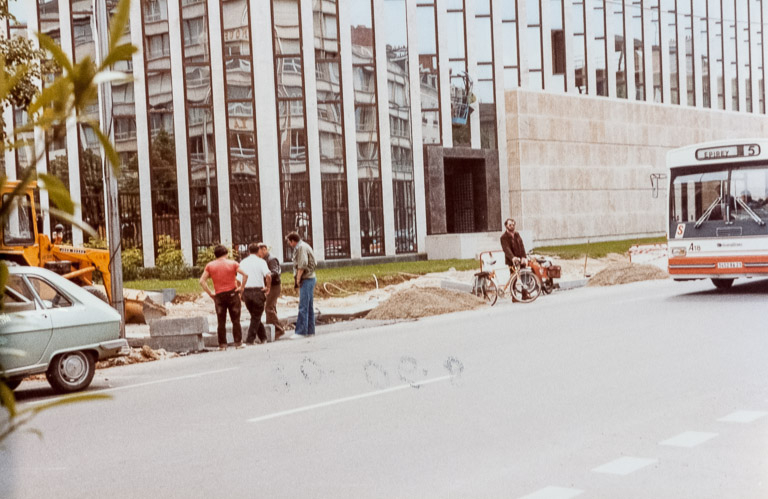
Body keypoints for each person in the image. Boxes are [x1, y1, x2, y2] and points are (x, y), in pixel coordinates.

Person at [199, 245, 248, 350]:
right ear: (226, 253)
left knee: (221, 321)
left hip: (219, 295)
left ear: (215, 254)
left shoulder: (210, 266)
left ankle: (222, 345)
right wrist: (241, 287)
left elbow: (202, 281)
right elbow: (245, 274)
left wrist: (210, 293)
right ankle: (238, 343)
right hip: (232, 293)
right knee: (236, 320)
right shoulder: (233, 263)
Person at [240, 242, 272, 345]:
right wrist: (268, 287)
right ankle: (250, 339)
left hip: (246, 291)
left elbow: (238, 279)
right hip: (258, 291)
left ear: (248, 251)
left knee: (255, 315)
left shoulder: (243, 262)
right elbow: (268, 276)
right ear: (258, 250)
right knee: (256, 316)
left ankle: (263, 338)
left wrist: (241, 291)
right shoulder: (261, 262)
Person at [286, 232, 316, 338]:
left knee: (303, 306)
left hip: (306, 279)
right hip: (310, 278)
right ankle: (310, 330)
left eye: (289, 242)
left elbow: (302, 264)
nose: (289, 244)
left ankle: (301, 332)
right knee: (309, 306)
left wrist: (298, 279)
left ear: (293, 241)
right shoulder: (303, 246)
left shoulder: (301, 248)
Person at [257, 243, 285, 340]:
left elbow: (275, 272)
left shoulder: (271, 259)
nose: (258, 254)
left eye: (259, 251)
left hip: (274, 286)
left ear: (264, 249)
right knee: (271, 307)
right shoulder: (264, 260)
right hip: (269, 285)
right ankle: (272, 330)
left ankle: (279, 329)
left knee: (268, 308)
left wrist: (266, 275)